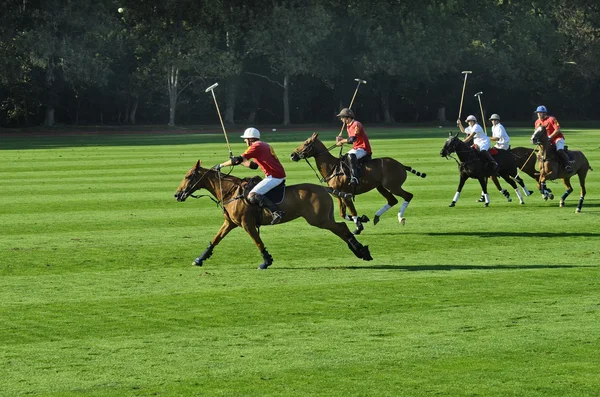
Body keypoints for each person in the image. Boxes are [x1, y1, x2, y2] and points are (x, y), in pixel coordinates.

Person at [217, 127, 286, 225]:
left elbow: (237, 160)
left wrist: (221, 165)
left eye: (245, 139)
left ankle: (277, 212)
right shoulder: (263, 145)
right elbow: (253, 166)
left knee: (252, 195)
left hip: (274, 176)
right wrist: (238, 161)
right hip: (275, 175)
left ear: (250, 139)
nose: (244, 141)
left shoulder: (256, 147)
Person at [335, 108, 372, 185]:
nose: (341, 119)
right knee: (342, 158)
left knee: (351, 156)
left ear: (348, 117)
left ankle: (355, 178)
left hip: (363, 148)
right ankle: (347, 176)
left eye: (342, 117)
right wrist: (340, 139)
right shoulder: (348, 126)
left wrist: (342, 141)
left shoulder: (356, 124)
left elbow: (353, 139)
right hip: (356, 148)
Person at [534, 105, 573, 173]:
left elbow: (558, 130)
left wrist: (550, 137)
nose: (538, 114)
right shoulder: (537, 122)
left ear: (544, 113)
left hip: (557, 138)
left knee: (559, 151)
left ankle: (567, 165)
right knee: (539, 154)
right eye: (537, 113)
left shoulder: (551, 119)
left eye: (540, 112)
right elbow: (536, 133)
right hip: (547, 141)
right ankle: (542, 168)